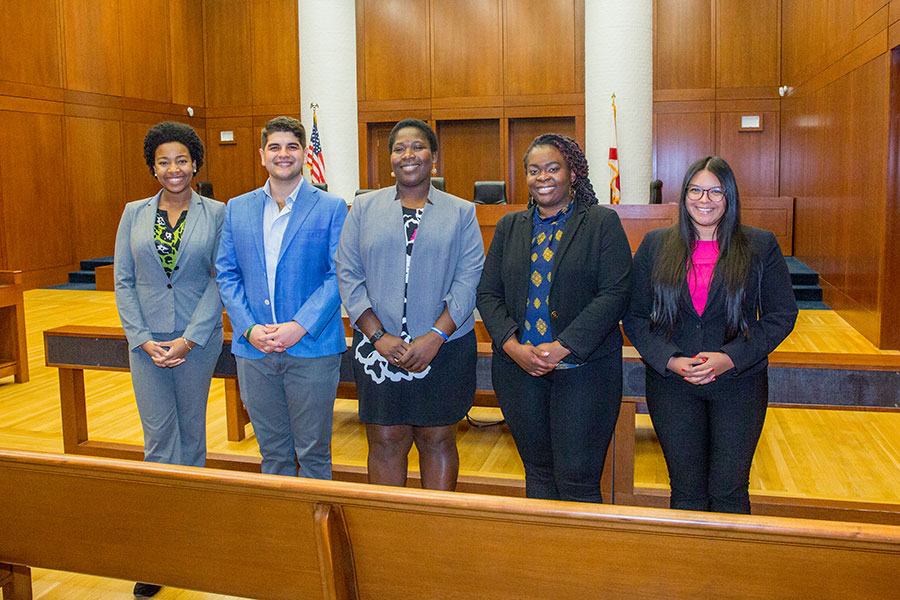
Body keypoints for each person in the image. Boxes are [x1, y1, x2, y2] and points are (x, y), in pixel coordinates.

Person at [623, 156, 798, 514]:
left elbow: (782, 315)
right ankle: (689, 569)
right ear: (684, 195)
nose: (705, 199)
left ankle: (729, 569)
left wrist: (730, 357)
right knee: (685, 489)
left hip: (739, 385)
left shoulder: (760, 245)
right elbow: (635, 316)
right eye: (696, 190)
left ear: (729, 196)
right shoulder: (656, 245)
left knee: (729, 489)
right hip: (673, 385)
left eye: (716, 191)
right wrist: (669, 359)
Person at [476, 133, 632, 503]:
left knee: (577, 478)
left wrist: (563, 346)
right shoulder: (509, 227)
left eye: (552, 168)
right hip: (519, 372)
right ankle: (543, 559)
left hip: (584, 373)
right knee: (539, 473)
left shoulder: (600, 223)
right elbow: (487, 294)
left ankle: (580, 561)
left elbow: (616, 293)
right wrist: (512, 346)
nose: (542, 177)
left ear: (572, 173)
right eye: (533, 170)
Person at [335, 118, 484, 491]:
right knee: (385, 440)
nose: (408, 154)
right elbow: (348, 274)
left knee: (437, 439)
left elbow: (469, 280)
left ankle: (435, 529)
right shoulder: (363, 209)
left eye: (417, 146)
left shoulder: (462, 212)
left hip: (443, 346)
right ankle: (389, 534)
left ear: (434, 157)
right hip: (379, 348)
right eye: (399, 148)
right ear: (390, 161)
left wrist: (435, 336)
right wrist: (377, 336)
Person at [114, 121, 225, 598]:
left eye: (181, 159)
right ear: (152, 167)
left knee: (192, 432)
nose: (173, 168)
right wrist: (141, 338)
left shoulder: (218, 213)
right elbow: (123, 279)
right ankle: (162, 546)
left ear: (195, 163)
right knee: (158, 436)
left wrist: (190, 338)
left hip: (195, 340)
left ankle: (195, 532)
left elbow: (223, 278)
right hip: (147, 342)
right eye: (163, 161)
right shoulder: (133, 213)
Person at [215, 116, 347, 479]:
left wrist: (299, 326)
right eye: (275, 147)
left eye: (292, 146)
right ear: (262, 155)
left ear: (304, 154)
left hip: (312, 348)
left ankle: (315, 533)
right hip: (255, 350)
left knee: (314, 453)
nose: (283, 154)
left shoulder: (331, 207)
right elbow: (226, 273)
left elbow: (339, 275)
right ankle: (284, 533)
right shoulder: (237, 208)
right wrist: (248, 328)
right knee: (272, 453)